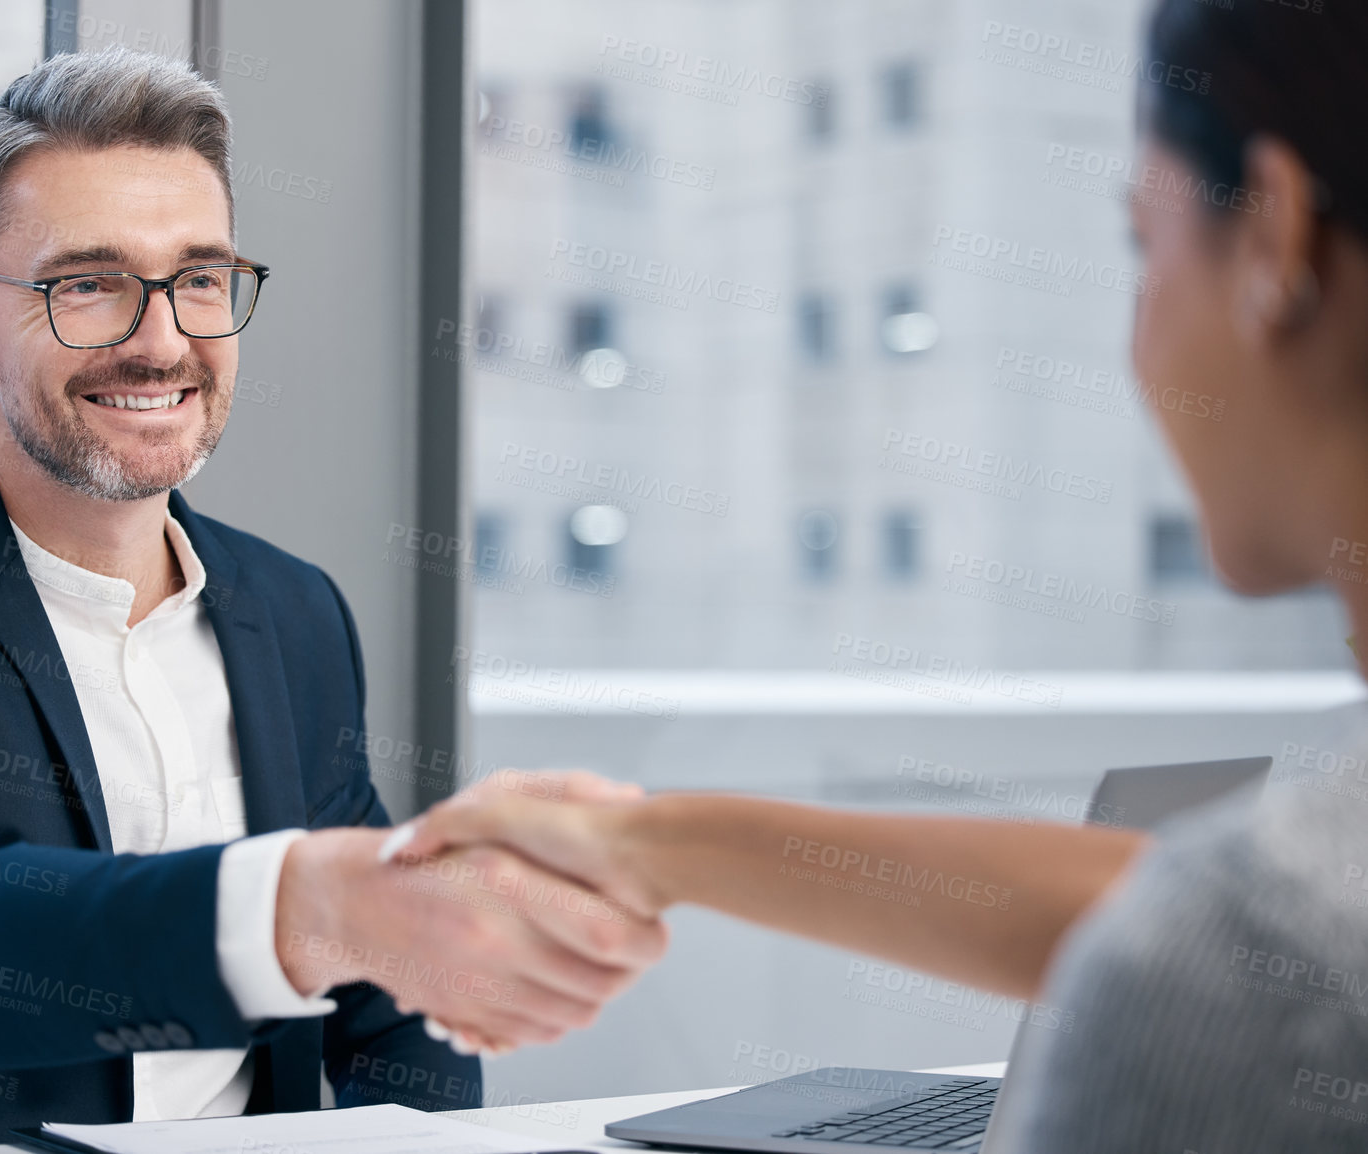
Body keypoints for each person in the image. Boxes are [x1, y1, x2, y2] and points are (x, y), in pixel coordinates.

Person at [392, 2, 1368, 1148]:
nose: (1139, 334)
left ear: (1275, 241)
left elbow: (1219, 946)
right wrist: (653, 844)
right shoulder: (1274, 919)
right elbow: (1183, 907)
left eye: (1143, 244)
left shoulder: (1238, 970)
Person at [0, 46, 665, 1154]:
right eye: (88, 284)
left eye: (199, 279)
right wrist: (302, 903)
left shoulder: (294, 610)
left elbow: (391, 1004)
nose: (161, 340)